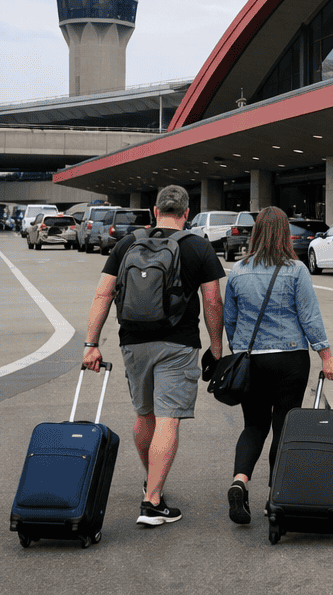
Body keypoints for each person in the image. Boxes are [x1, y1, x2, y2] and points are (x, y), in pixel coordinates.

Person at [83, 184, 224, 528]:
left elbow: (103, 294)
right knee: (168, 418)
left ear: (156, 210)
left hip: (133, 341)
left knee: (144, 415)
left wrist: (91, 343)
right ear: (186, 213)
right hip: (178, 344)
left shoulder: (127, 244)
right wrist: (216, 348)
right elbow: (212, 301)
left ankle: (153, 482)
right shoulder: (198, 246)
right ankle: (153, 501)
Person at [222, 207, 333, 525]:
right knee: (284, 427)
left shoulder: (238, 270)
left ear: (256, 233)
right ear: (285, 233)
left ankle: (240, 481)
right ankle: (276, 497)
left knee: (253, 426)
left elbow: (230, 321)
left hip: (252, 360)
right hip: (290, 360)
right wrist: (326, 357)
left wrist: (240, 349)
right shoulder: (295, 269)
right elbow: (310, 317)